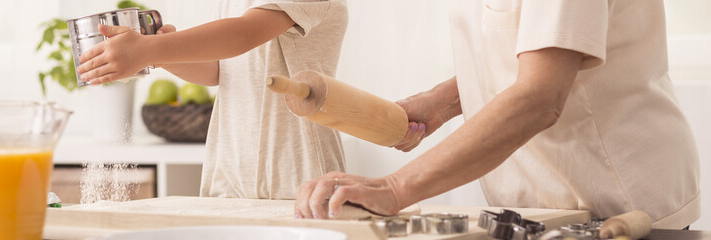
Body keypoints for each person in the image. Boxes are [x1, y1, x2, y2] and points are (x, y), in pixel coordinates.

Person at [294, 0, 700, 229]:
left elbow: (540, 96)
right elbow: (524, 49)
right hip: (542, 210)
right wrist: (442, 101)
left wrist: (395, 188)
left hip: (617, 204)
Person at [76, 0, 349, 199]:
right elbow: (220, 70)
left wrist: (147, 49)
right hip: (231, 179)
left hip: (300, 178)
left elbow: (242, 34)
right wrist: (160, 55)